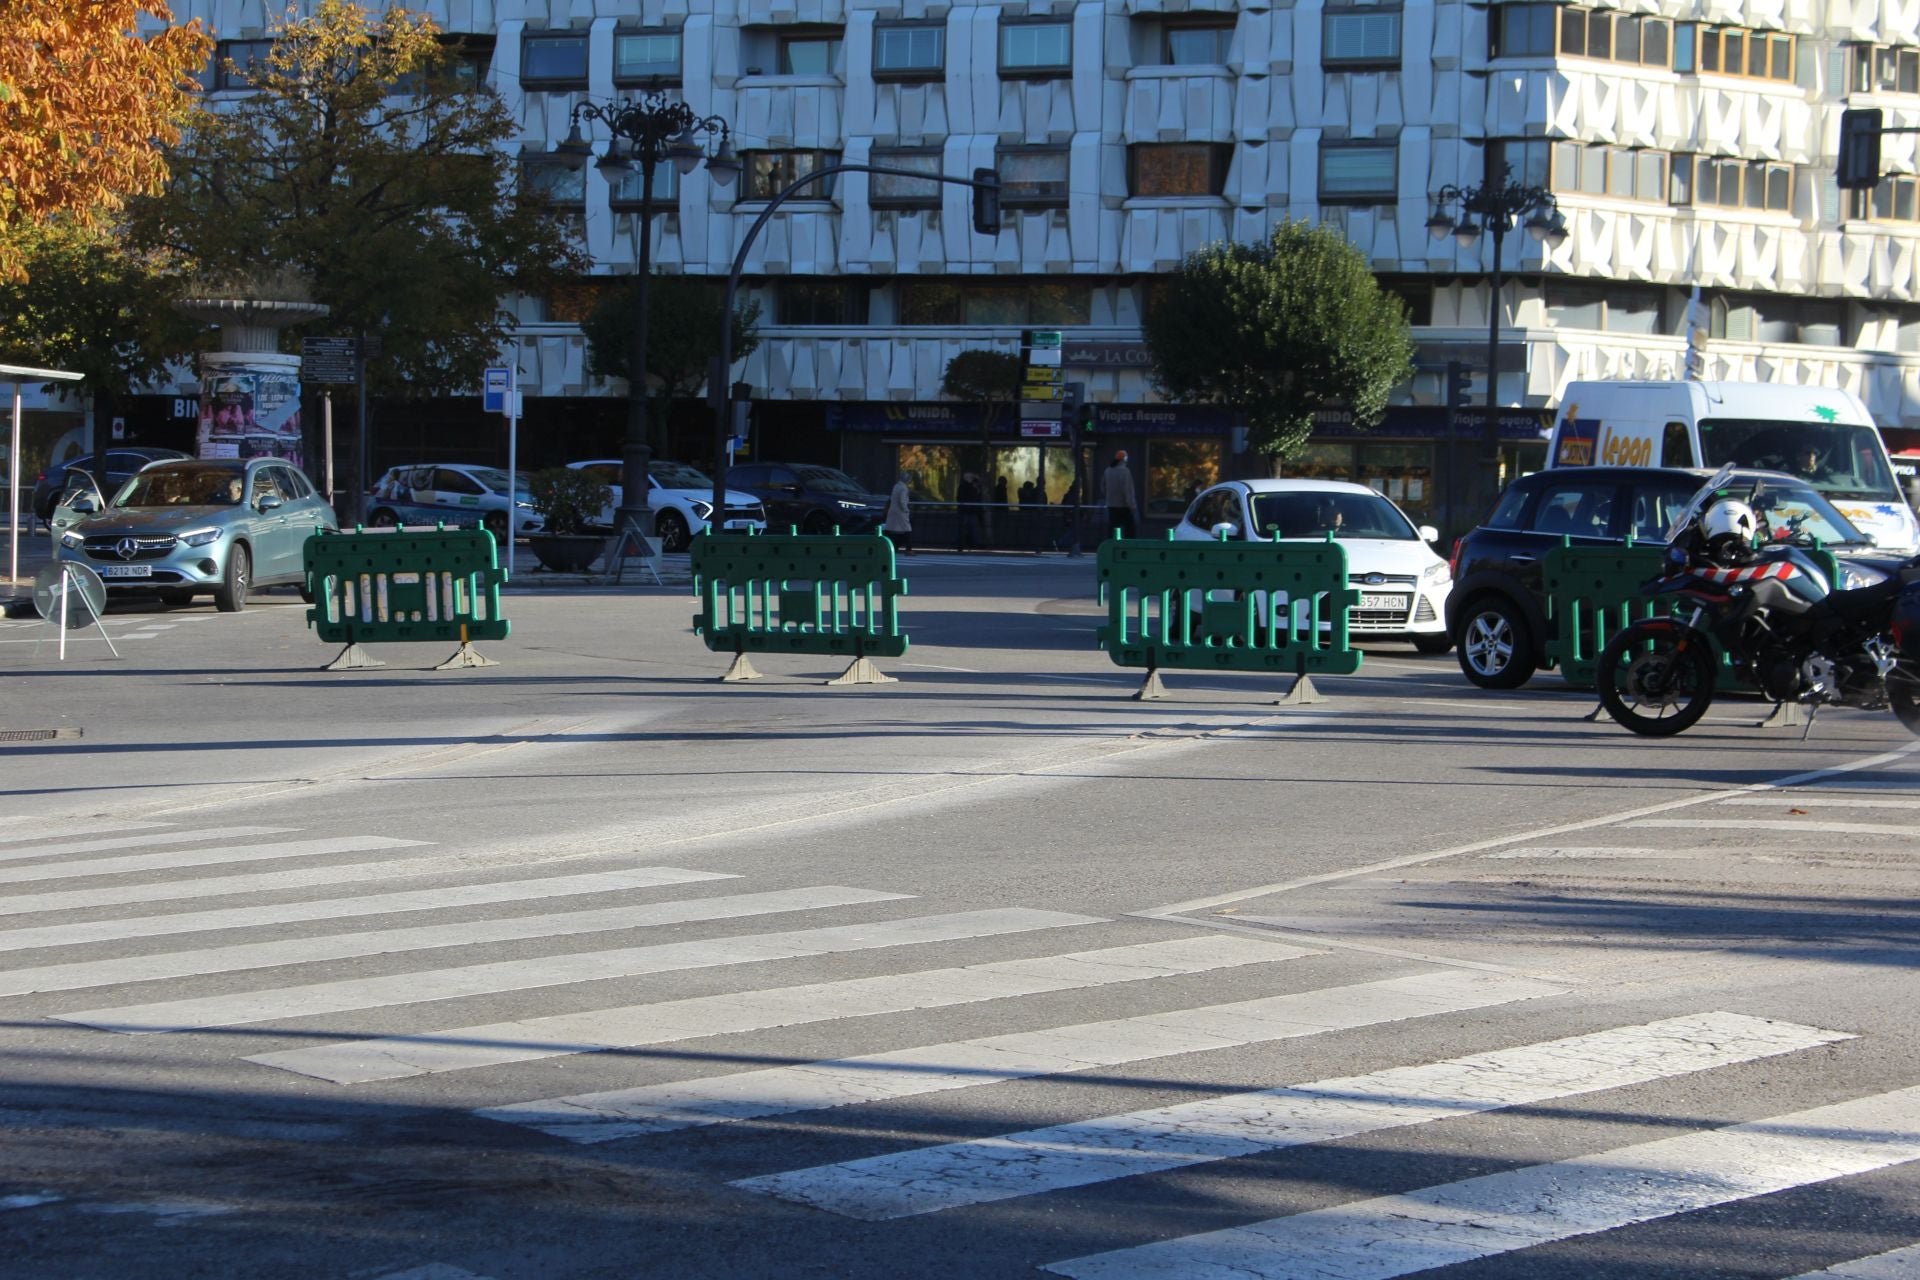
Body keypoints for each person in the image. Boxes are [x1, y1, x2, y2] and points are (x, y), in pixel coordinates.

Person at [1103, 450, 1138, 540]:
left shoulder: (1107, 471)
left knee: (1113, 528)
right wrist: (1131, 504)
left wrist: (1108, 497)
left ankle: (1111, 544)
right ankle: (1128, 546)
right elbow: (1127, 489)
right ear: (1125, 460)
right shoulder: (1125, 471)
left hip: (1111, 505)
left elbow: (1103, 486)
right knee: (1130, 528)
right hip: (1124, 505)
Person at [884, 470, 913, 553]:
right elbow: (902, 501)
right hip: (901, 513)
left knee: (892, 529)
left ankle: (894, 547)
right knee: (907, 529)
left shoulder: (896, 486)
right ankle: (908, 549)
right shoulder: (904, 488)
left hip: (893, 511)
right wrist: (906, 510)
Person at [956, 471, 983, 551]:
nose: (972, 479)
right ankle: (964, 544)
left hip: (968, 510)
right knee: (966, 528)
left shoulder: (969, 486)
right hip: (967, 510)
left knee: (969, 528)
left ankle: (967, 544)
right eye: (970, 477)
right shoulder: (967, 487)